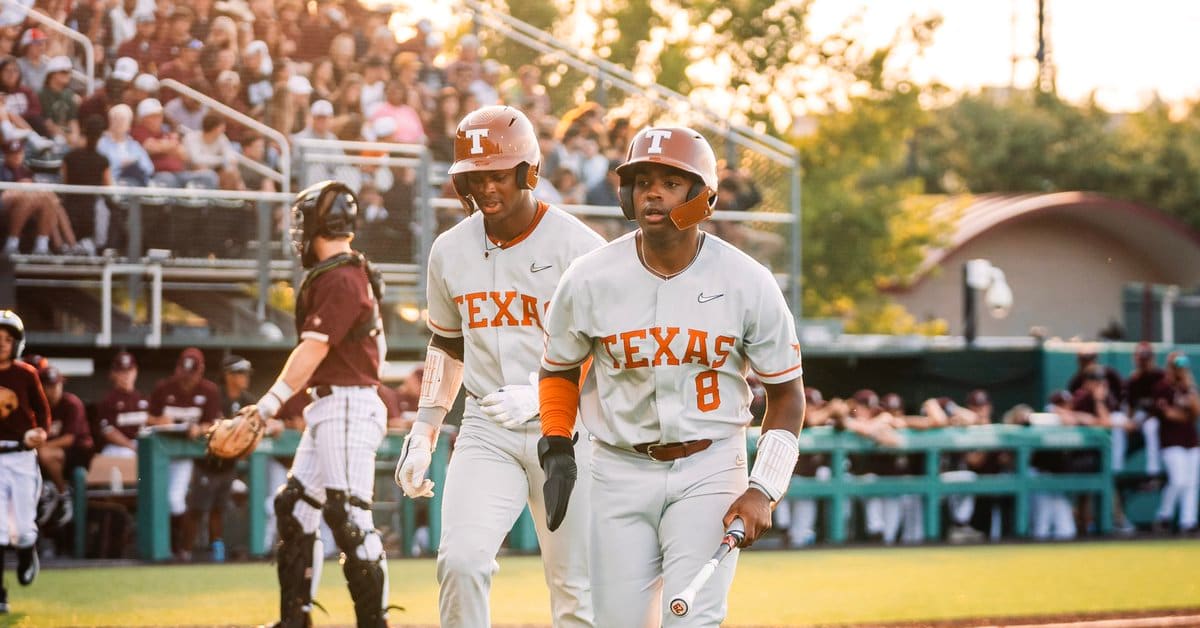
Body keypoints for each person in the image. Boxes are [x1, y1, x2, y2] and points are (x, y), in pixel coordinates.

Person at [537, 126, 805, 625]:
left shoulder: (747, 280)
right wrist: (555, 443)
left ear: (703, 196)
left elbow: (787, 395)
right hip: (616, 468)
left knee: (693, 619)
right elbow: (558, 371)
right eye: (641, 181)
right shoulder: (589, 277)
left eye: (670, 181)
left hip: (710, 465)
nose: (652, 192)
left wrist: (764, 486)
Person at [393, 105, 602, 627]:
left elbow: (613, 349)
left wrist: (547, 393)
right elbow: (447, 344)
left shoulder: (581, 247)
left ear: (527, 171)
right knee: (460, 562)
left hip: (570, 428)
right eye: (475, 176)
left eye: (499, 174)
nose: (487, 188)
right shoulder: (448, 250)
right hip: (487, 426)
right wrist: (424, 428)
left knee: (576, 585)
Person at [256, 180, 392, 628]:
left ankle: (375, 623)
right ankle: (294, 620)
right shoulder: (350, 269)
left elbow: (313, 350)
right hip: (335, 404)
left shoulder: (340, 274)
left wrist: (268, 404)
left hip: (348, 404)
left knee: (349, 517)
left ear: (318, 221)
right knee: (295, 506)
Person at [144, 347, 221, 560]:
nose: (187, 379)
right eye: (184, 373)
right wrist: (160, 421)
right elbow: (148, 418)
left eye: (192, 374)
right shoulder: (164, 388)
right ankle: (161, 546)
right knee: (155, 498)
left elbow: (214, 423)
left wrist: (200, 428)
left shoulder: (209, 390)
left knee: (174, 499)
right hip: (160, 453)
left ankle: (177, 546)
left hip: (185, 455)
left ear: (200, 371)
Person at [0, 310, 50, 612]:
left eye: (7, 339)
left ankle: (27, 549)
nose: (1, 344)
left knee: (21, 528)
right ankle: (0, 594)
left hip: (20, 457)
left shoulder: (25, 374)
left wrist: (39, 433)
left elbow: (43, 413)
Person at [182, 354, 254, 563]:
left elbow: (259, 423)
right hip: (207, 462)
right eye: (240, 373)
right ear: (228, 375)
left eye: (246, 373)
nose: (245, 377)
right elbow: (204, 424)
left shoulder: (247, 401)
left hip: (229, 463)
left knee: (218, 509)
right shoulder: (214, 394)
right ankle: (184, 551)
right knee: (196, 508)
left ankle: (217, 550)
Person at [35, 364, 93, 525]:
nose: (53, 390)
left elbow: (69, 439)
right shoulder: (38, 408)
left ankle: (62, 493)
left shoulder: (71, 403)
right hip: (53, 458)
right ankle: (47, 491)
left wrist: (41, 447)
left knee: (44, 454)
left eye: (56, 385)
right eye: (48, 386)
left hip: (79, 453)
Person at [1151, 352, 1200, 535]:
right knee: (1178, 480)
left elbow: (1196, 412)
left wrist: (1189, 389)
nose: (1181, 370)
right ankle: (1164, 515)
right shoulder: (1162, 388)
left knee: (1192, 483)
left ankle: (1188, 521)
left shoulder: (1188, 387)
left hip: (1191, 440)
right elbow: (1169, 415)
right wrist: (1186, 414)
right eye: (1177, 366)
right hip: (1171, 441)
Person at [95, 351, 148, 457]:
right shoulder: (108, 400)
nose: (126, 375)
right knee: (126, 454)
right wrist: (132, 446)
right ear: (113, 374)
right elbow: (108, 432)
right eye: (121, 371)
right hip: (118, 447)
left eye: (129, 370)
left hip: (140, 444)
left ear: (135, 371)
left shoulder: (143, 399)